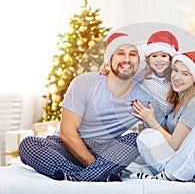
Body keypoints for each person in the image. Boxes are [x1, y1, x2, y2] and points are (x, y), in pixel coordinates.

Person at [18, 32, 165, 182]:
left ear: (138, 61)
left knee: (135, 139)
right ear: (109, 59)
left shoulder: (144, 96)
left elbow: (164, 133)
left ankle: (76, 177)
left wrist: (152, 122)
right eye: (120, 53)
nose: (127, 59)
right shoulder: (84, 83)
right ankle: (93, 175)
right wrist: (95, 166)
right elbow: (67, 133)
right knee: (28, 145)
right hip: (67, 148)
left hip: (106, 151)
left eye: (132, 54)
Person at [129, 51, 195, 183]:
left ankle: (169, 175)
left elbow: (174, 144)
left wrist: (152, 122)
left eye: (185, 74)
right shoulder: (175, 99)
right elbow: (165, 137)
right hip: (183, 163)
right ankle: (176, 176)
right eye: (175, 71)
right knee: (146, 135)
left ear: (194, 79)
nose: (177, 77)